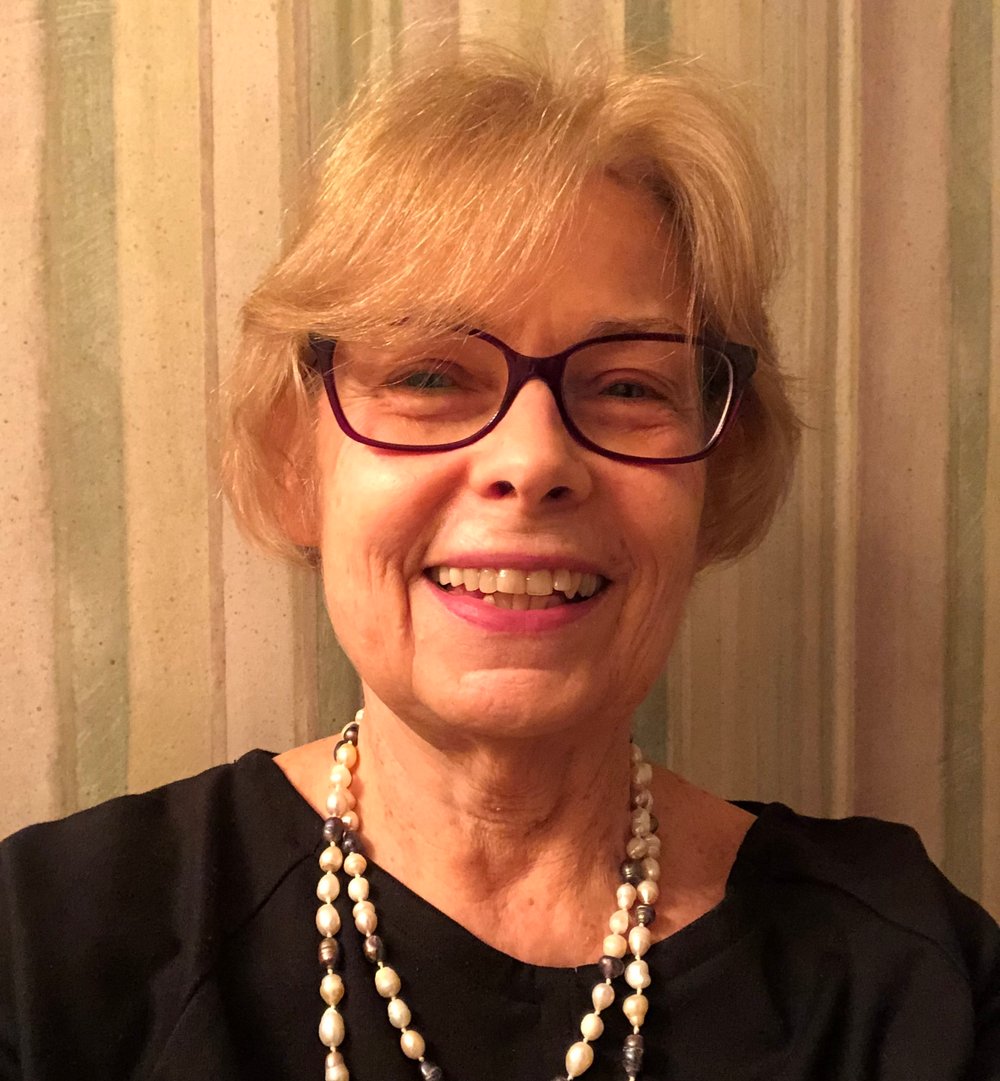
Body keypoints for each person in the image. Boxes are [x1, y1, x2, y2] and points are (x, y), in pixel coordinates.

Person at [2, 47, 998, 1081]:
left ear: (716, 475)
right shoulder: (52, 951)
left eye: (629, 386)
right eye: (429, 375)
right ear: (296, 459)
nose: (532, 461)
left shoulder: (908, 986)